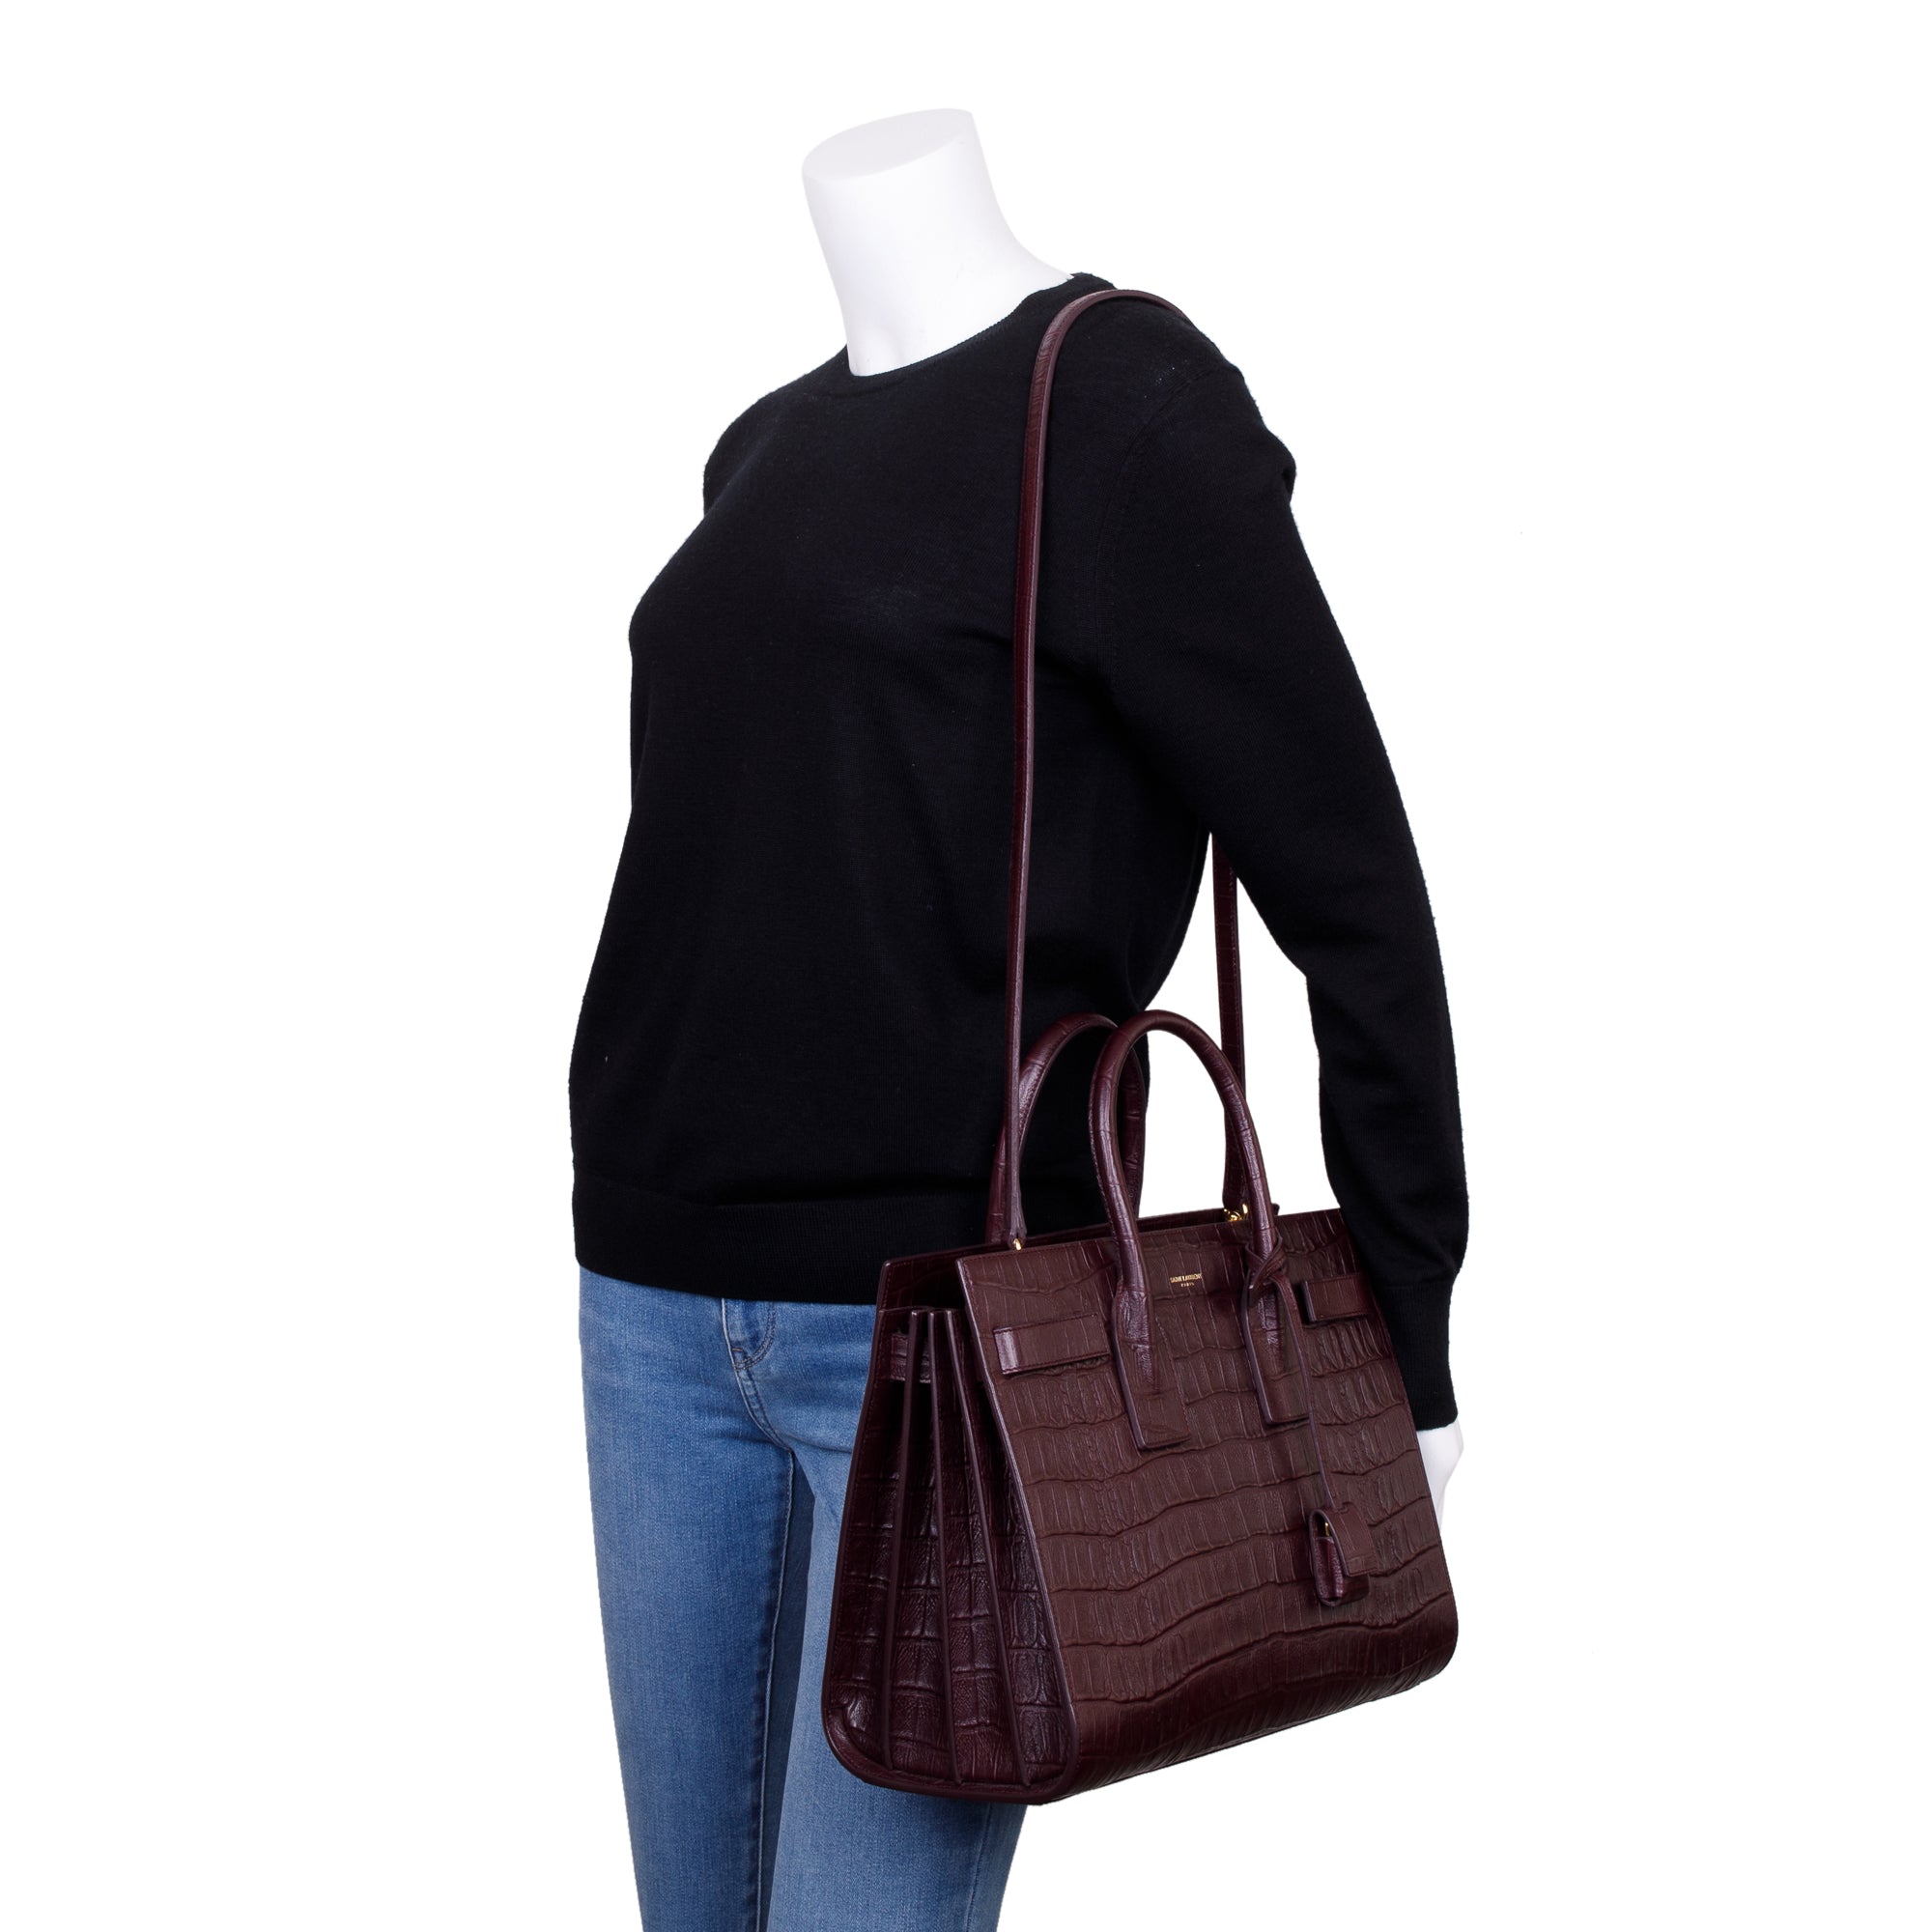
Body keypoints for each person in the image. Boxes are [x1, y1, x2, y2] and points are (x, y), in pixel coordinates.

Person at [570, 109, 1466, 1932]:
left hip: (944, 1340)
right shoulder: (762, 446)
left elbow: (1351, 884)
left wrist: (1406, 1319)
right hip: (651, 1310)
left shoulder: (1122, 405)